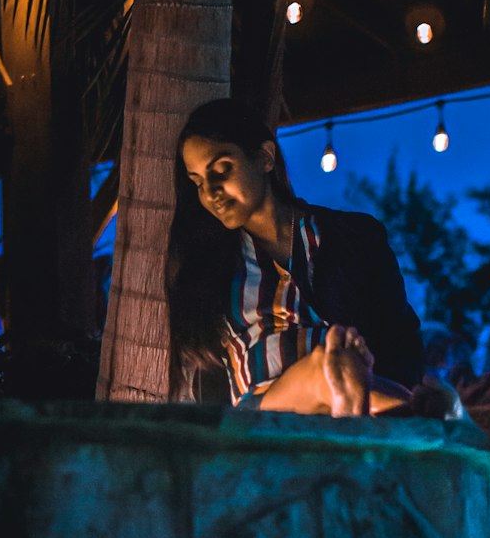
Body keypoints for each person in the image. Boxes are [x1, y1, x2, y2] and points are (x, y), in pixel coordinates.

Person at [166, 98, 429, 416]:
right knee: (327, 369)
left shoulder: (354, 237)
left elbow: (400, 338)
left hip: (362, 385)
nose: (210, 191)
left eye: (222, 169)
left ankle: (362, 405)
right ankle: (386, 410)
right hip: (263, 413)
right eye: (198, 182)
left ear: (264, 158)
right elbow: (207, 379)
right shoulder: (207, 268)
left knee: (350, 368)